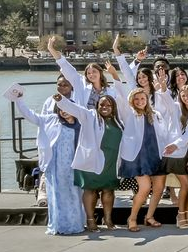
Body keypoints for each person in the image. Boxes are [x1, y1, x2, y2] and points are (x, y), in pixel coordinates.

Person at [11, 90, 85, 235]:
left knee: (73, 194)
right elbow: (30, 115)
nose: (64, 111)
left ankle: (75, 224)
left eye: (67, 108)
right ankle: (59, 225)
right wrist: (19, 100)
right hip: (55, 165)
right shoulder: (51, 119)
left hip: (73, 165)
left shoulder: (81, 123)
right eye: (60, 109)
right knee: (57, 195)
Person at [57, 93, 123, 232]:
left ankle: (108, 219)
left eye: (109, 105)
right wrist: (61, 100)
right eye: (102, 104)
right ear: (97, 106)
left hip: (111, 162)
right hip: (92, 160)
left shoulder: (118, 121)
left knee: (109, 190)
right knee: (90, 190)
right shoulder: (90, 116)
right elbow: (74, 109)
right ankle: (90, 220)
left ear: (113, 107)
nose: (105, 107)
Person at [116, 85, 173, 232]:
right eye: (136, 99)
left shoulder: (156, 114)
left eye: (143, 98)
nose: (140, 101)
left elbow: (164, 133)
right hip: (139, 158)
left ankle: (149, 217)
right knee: (145, 188)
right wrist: (115, 76)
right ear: (132, 101)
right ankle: (132, 218)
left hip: (157, 155)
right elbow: (121, 94)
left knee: (159, 189)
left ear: (147, 99)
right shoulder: (130, 113)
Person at [155, 84, 188, 229]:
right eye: (183, 95)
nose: (186, 98)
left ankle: (185, 215)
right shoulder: (176, 108)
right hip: (174, 153)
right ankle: (181, 215)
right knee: (185, 184)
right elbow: (167, 100)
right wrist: (163, 88)